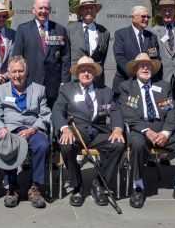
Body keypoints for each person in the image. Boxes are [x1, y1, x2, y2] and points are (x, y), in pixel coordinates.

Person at [114, 53, 175, 209]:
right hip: (140, 129)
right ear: (135, 70)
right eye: (142, 65)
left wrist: (166, 133)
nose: (145, 68)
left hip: (163, 127)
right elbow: (127, 114)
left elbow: (172, 112)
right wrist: (147, 131)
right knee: (137, 145)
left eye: (148, 65)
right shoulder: (126, 87)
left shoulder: (164, 86)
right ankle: (137, 186)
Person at [52, 56, 125, 207]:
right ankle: (77, 186)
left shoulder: (105, 91)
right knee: (66, 146)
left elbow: (115, 111)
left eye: (89, 70)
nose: (86, 73)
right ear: (77, 73)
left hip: (99, 132)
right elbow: (57, 111)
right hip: (76, 132)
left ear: (95, 73)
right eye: (82, 70)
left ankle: (99, 184)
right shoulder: (67, 89)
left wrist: (117, 128)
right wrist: (65, 128)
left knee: (118, 144)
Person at [0, 56, 51, 208]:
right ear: (8, 74)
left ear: (26, 72)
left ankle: (35, 187)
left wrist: (33, 129)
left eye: (20, 71)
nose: (17, 75)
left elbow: (45, 114)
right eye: (14, 72)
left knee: (42, 145)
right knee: (7, 146)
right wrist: (1, 128)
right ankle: (12, 188)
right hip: (10, 130)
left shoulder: (39, 89)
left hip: (31, 128)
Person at [13, 0, 70, 108]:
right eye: (40, 8)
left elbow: (65, 57)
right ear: (33, 10)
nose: (43, 11)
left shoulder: (59, 29)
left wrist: (64, 82)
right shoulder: (23, 29)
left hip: (54, 85)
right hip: (30, 83)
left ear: (50, 10)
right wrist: (19, 81)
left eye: (46, 8)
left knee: (53, 118)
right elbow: (17, 58)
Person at [112, 5, 161, 94]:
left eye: (148, 17)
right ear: (133, 17)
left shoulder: (152, 37)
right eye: (143, 16)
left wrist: (146, 75)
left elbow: (155, 58)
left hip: (146, 82)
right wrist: (135, 74)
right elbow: (120, 57)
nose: (146, 19)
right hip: (125, 80)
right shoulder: (121, 34)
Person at [67, 0, 110, 88]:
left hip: (96, 80)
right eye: (85, 8)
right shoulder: (70, 29)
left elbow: (103, 57)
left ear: (95, 11)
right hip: (75, 79)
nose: (89, 10)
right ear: (80, 11)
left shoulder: (104, 32)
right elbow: (66, 57)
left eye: (92, 8)